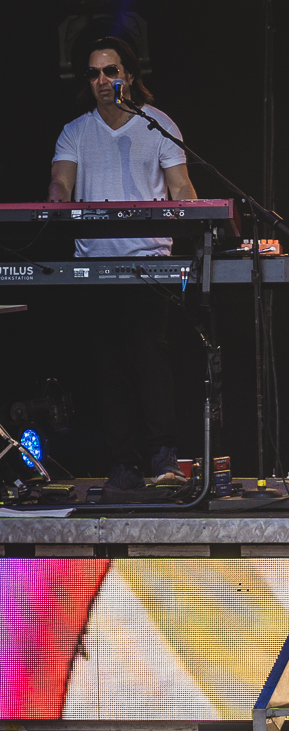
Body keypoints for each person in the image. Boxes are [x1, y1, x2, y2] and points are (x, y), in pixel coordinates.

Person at [48, 36, 196, 491]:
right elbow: (59, 184)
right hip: (96, 264)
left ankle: (164, 458)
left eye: (110, 71)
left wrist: (195, 210)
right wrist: (55, 202)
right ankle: (123, 464)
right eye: (94, 73)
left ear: (129, 76)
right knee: (108, 366)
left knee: (150, 357)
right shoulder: (75, 131)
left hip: (149, 264)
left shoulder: (158, 125)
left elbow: (182, 191)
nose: (102, 80)